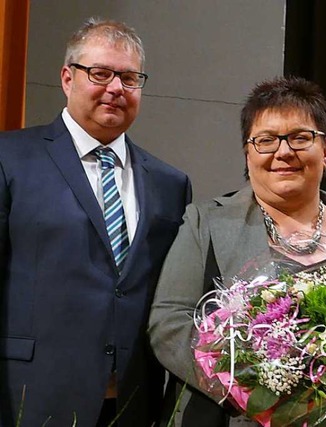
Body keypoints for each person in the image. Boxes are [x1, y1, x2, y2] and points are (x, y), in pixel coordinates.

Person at [0, 17, 192, 427]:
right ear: (68, 78)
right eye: (101, 73)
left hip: (132, 402)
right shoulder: (9, 159)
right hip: (28, 394)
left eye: (129, 77)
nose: (116, 88)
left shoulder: (170, 183)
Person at [148, 76, 326, 426]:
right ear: (248, 154)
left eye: (300, 137)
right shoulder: (206, 223)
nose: (283, 152)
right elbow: (169, 324)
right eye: (266, 140)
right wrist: (254, 386)